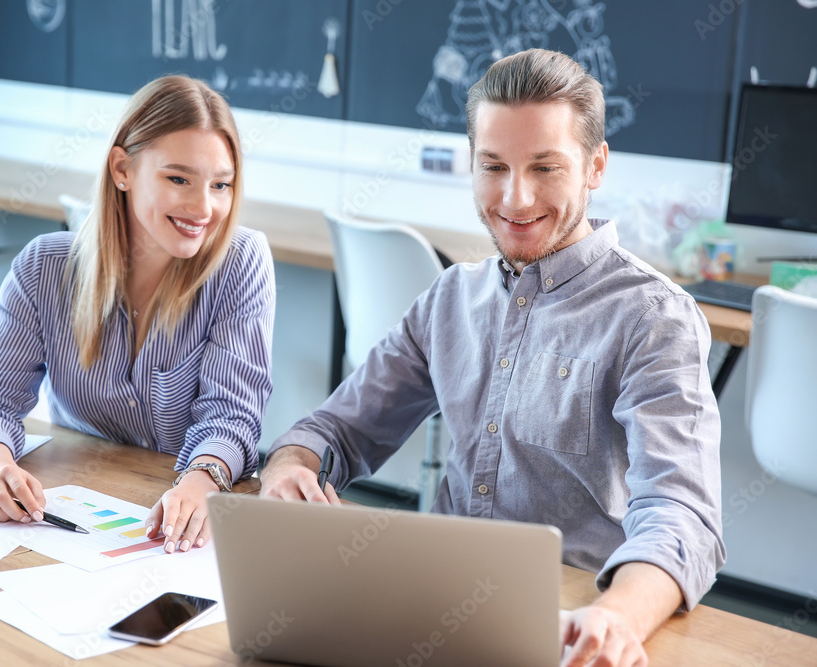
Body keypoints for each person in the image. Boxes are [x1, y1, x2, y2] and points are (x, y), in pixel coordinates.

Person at [260, 49, 723, 667]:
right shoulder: (452, 296)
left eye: (545, 167)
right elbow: (337, 429)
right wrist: (290, 466)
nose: (515, 197)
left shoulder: (654, 319)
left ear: (596, 166)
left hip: (572, 624)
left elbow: (681, 514)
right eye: (493, 166)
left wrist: (615, 618)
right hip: (428, 607)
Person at [0, 75, 275, 556]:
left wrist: (202, 480)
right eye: (178, 178)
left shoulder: (241, 260)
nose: (204, 207)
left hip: (183, 526)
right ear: (122, 169)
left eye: (221, 185)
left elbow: (231, 417)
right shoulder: (44, 267)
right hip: (73, 512)